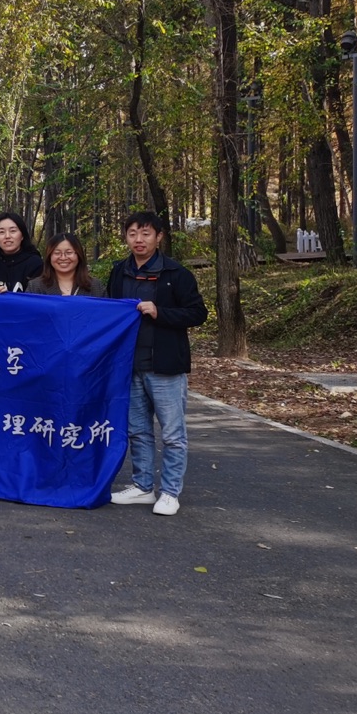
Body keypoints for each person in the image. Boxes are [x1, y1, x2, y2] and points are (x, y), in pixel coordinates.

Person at [106, 211, 208, 516]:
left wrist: (159, 311)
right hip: (130, 365)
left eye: (146, 233)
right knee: (137, 431)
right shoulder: (119, 271)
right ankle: (142, 486)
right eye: (133, 234)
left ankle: (170, 492)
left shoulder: (176, 273)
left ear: (159, 237)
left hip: (165, 366)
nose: (139, 240)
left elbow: (197, 313)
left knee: (172, 434)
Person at [27, 233, 105, 297]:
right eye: (57, 253)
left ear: (78, 255)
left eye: (69, 252)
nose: (63, 258)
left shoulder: (95, 286)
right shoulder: (35, 287)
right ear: (49, 257)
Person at [0, 211, 43, 293]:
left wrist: (9, 296)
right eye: (1, 232)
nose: (7, 236)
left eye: (13, 231)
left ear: (22, 235)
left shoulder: (35, 263)